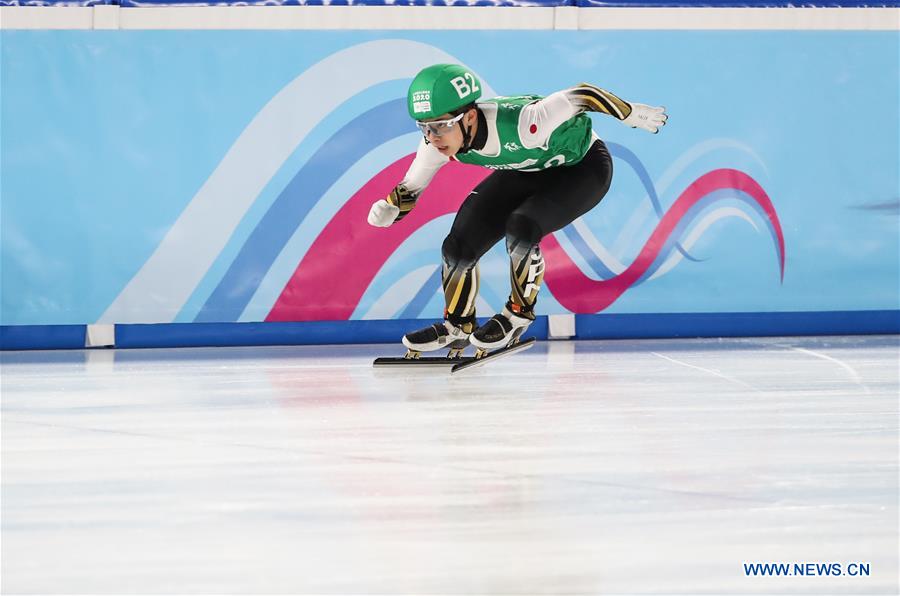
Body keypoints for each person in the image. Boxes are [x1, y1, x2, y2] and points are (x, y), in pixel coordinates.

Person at [367, 63, 667, 355]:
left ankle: (518, 314)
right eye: (424, 127)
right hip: (526, 168)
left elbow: (584, 94)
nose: (433, 137)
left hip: (581, 168)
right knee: (458, 245)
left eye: (440, 126)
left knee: (521, 226)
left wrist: (630, 113)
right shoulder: (434, 145)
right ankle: (458, 325)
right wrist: (391, 208)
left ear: (469, 117)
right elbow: (411, 187)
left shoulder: (526, 123)